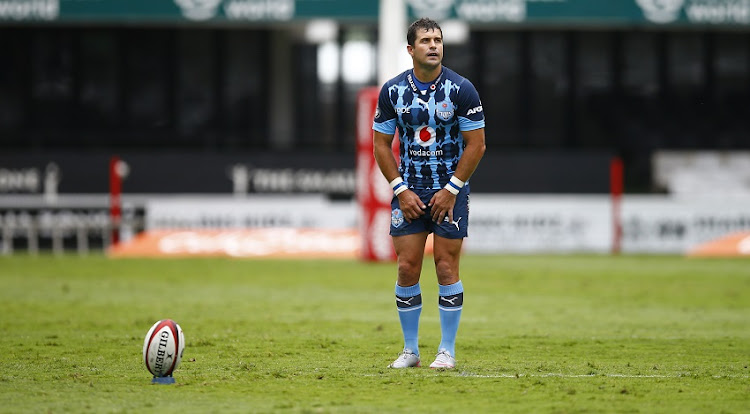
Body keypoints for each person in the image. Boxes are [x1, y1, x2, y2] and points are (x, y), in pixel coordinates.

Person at [372, 17, 486, 369]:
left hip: (449, 191)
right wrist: (400, 190)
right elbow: (380, 145)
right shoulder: (392, 91)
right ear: (411, 49)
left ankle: (447, 351)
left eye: (438, 40)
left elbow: (476, 145)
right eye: (426, 41)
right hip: (409, 191)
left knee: (446, 266)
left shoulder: (461, 89)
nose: (434, 45)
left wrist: (452, 189)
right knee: (407, 267)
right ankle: (410, 350)